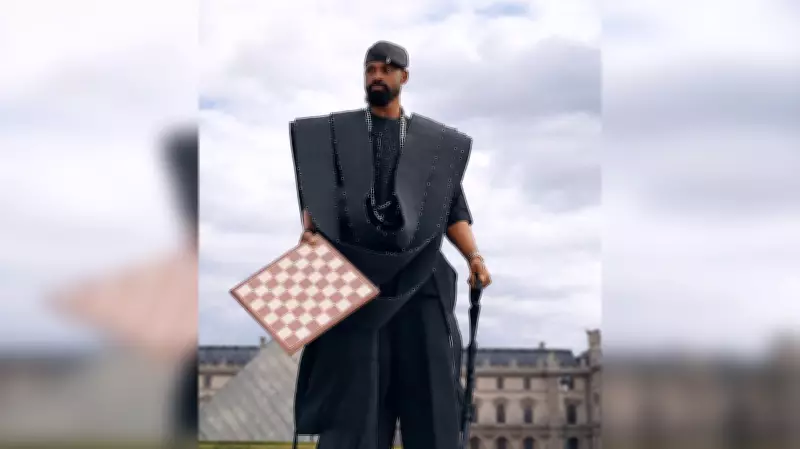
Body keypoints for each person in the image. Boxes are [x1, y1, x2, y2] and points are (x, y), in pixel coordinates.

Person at [289, 40, 492, 449]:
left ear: (404, 76)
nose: (376, 76)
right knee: (355, 404)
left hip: (420, 277)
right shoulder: (336, 138)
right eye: (370, 70)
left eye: (385, 69)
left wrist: (473, 255)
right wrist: (310, 233)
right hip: (357, 281)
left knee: (431, 392)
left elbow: (452, 208)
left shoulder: (432, 146)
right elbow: (319, 199)